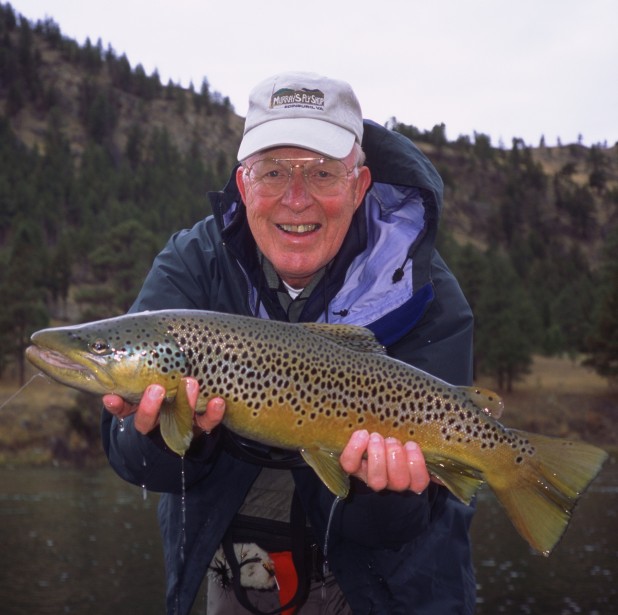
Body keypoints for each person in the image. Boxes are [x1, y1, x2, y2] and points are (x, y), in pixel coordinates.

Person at [101, 71, 476, 614]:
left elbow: (402, 526)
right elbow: (135, 463)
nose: (296, 200)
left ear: (359, 185)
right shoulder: (193, 264)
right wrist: (166, 437)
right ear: (243, 183)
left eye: (322, 173)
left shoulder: (422, 289)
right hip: (236, 576)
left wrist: (384, 490)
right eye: (273, 172)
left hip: (391, 593)